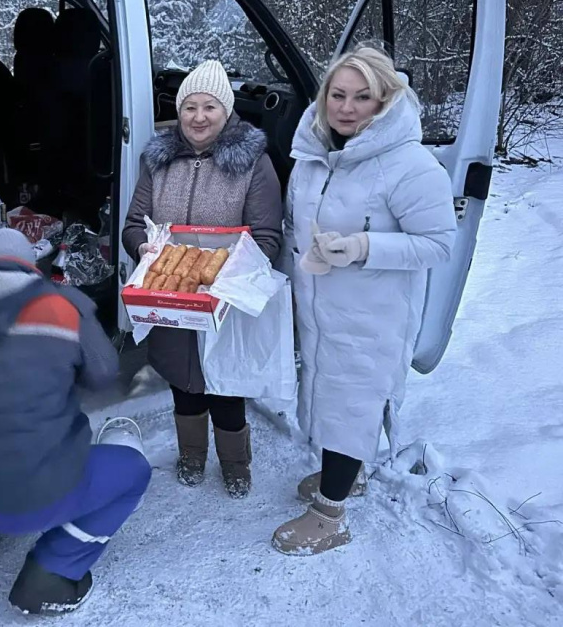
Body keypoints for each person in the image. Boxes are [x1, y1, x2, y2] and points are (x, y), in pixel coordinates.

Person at [0, 228, 151, 616]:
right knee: (133, 470)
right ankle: (52, 571)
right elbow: (104, 373)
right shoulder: (61, 307)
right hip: (37, 491)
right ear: (30, 265)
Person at [272, 46, 456, 555]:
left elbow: (440, 242)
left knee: (351, 401)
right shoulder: (312, 154)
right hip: (319, 305)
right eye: (338, 95)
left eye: (362, 97)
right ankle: (345, 476)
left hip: (373, 312)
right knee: (326, 396)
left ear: (385, 102)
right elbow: (295, 224)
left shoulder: (410, 165)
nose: (347, 108)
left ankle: (331, 516)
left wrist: (361, 248)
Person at [122, 59, 282, 499]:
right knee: (182, 380)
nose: (198, 117)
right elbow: (135, 223)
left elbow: (268, 236)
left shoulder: (253, 164)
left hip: (223, 297)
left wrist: (229, 273)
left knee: (225, 385)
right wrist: (143, 248)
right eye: (189, 106)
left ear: (226, 111)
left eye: (209, 106)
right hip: (171, 294)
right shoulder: (158, 160)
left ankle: (235, 462)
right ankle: (191, 454)